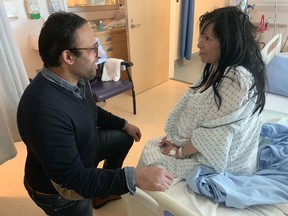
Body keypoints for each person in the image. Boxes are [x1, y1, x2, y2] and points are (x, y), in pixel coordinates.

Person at [17, 12, 173, 216]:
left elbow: (90, 109)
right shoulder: (43, 111)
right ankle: (97, 189)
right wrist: (134, 177)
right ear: (68, 56)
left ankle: (101, 192)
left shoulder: (76, 78)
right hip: (61, 192)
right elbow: (74, 181)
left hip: (83, 152)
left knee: (123, 137)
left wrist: (124, 124)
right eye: (92, 49)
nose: (99, 54)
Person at [138, 6, 266, 178]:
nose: (199, 44)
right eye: (201, 36)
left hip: (224, 162)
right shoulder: (216, 67)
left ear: (229, 41)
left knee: (150, 160)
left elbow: (214, 135)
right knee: (153, 146)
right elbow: (201, 113)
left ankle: (125, 193)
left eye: (207, 38)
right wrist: (175, 138)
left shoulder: (236, 79)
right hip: (201, 144)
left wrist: (179, 152)